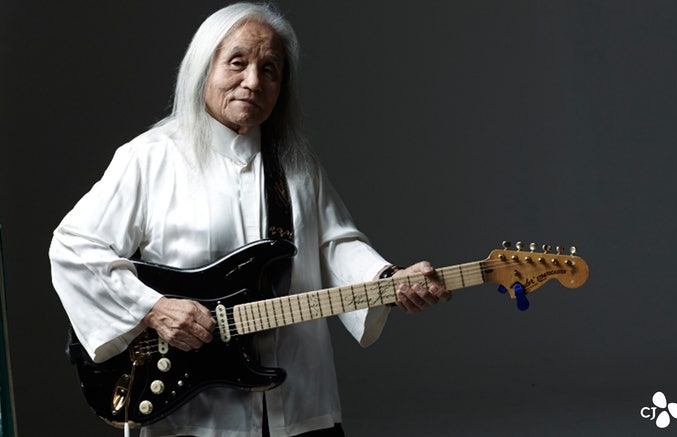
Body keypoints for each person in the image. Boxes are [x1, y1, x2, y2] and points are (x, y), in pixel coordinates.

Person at [49, 3, 450, 437]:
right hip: (194, 415)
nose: (254, 81)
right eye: (237, 63)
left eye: (270, 69)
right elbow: (73, 247)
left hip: (300, 404)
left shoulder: (296, 165)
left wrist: (390, 279)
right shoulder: (150, 157)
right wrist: (153, 309)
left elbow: (334, 244)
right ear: (204, 68)